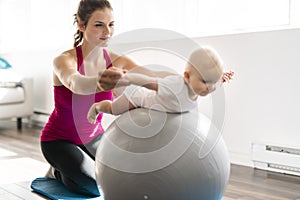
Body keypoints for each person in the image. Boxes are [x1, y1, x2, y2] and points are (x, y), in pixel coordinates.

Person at [40, 0, 144, 197]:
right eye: (99, 24)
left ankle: (69, 169)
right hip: (59, 140)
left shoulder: (116, 59)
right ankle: (57, 170)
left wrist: (195, 79)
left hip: (95, 137)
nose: (107, 31)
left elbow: (152, 74)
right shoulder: (64, 59)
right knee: (93, 187)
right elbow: (75, 82)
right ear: (81, 25)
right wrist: (100, 82)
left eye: (111, 24)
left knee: (124, 177)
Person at [87, 46, 234, 123]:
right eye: (205, 81)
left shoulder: (204, 88)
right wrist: (128, 79)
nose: (210, 88)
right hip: (138, 97)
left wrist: (220, 80)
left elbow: (212, 84)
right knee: (114, 109)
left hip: (159, 103)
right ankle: (97, 107)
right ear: (187, 76)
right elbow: (148, 83)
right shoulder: (176, 85)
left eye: (213, 82)